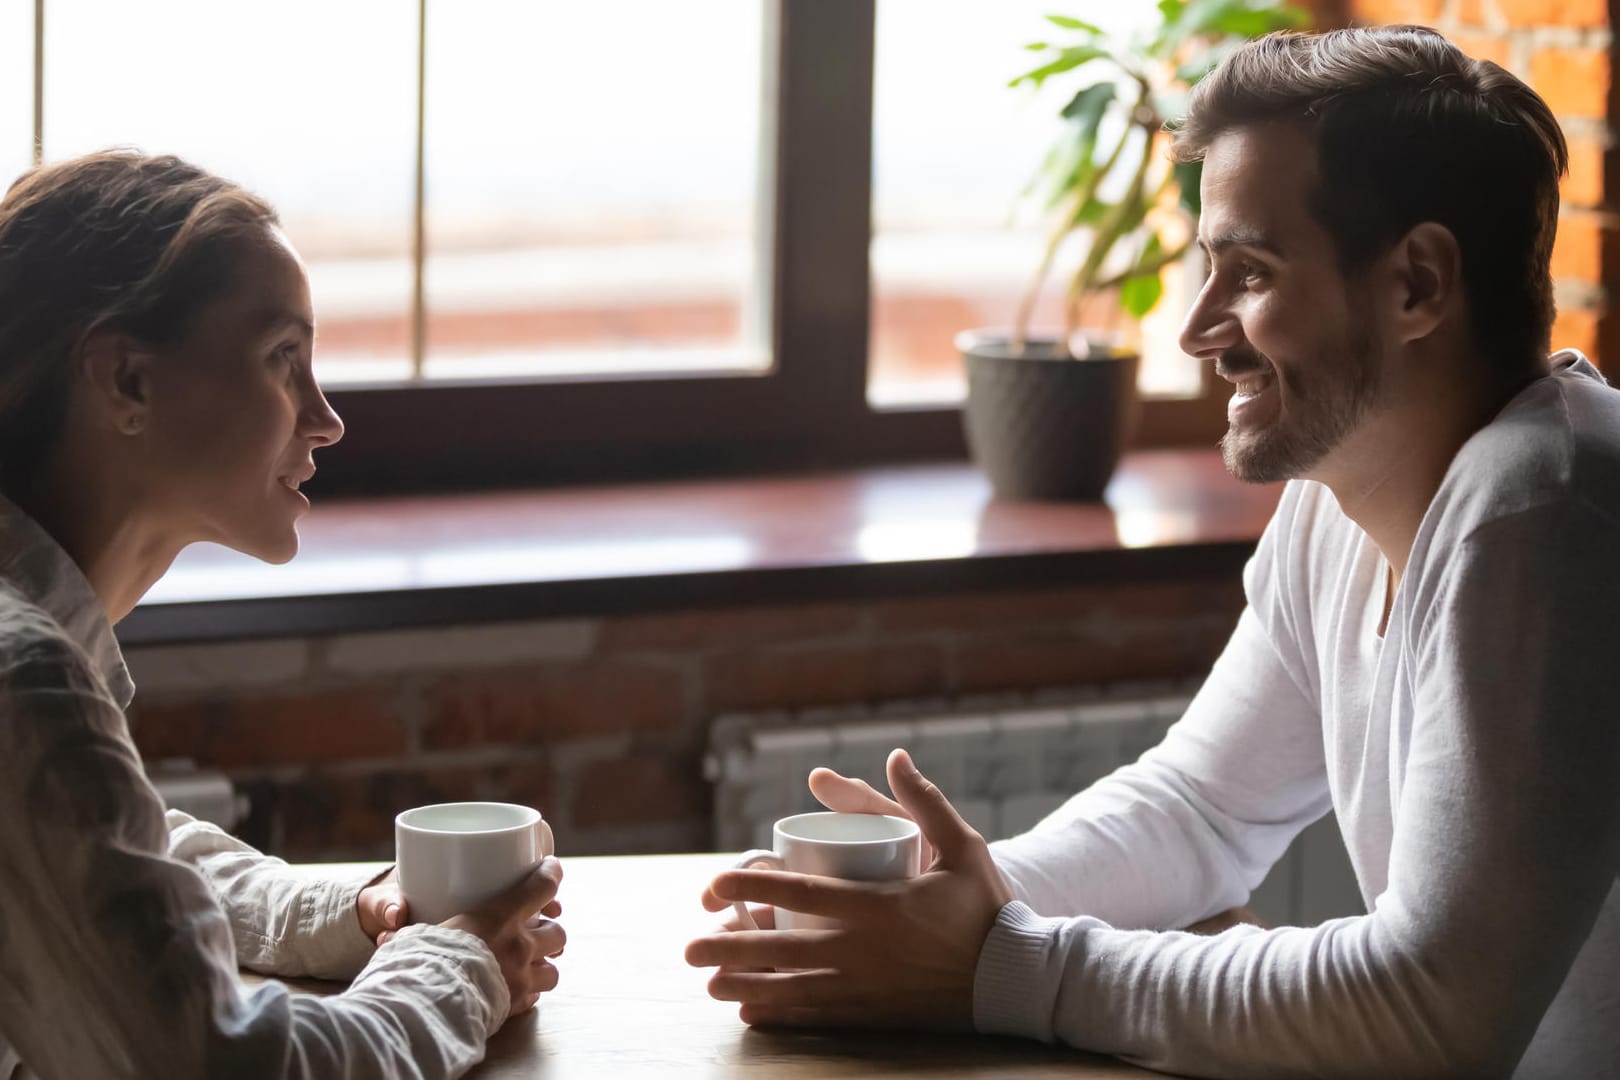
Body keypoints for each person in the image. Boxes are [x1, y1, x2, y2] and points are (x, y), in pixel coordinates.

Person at [687, 25, 1620, 1078]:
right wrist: (935, 908)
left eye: (1250, 272)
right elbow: (1202, 809)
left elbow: (1437, 1008)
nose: (1198, 327)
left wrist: (1001, 964)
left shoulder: (1548, 501)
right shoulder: (1343, 500)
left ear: (1417, 284)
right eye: (1207, 268)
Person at [0, 151, 565, 1079]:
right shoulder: (24, 677)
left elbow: (94, 858)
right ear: (124, 381)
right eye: (282, 358)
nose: (325, 417)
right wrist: (460, 967)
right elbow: (232, 1066)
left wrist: (352, 914)